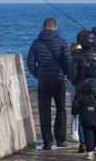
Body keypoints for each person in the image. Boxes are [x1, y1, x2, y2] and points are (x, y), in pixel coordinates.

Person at [27, 18, 72, 149]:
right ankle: (60, 139)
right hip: (58, 79)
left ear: (43, 27)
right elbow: (68, 62)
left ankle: (47, 141)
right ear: (55, 27)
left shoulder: (35, 43)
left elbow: (30, 63)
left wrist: (38, 74)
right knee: (61, 109)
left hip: (43, 80)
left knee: (44, 110)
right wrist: (65, 74)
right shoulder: (62, 42)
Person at [71, 66, 96, 160]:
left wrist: (74, 112)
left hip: (85, 112)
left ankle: (89, 153)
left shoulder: (80, 86)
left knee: (87, 132)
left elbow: (76, 101)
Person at [68, 30, 86, 152]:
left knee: (76, 107)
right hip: (76, 82)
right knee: (78, 108)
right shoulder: (78, 54)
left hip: (73, 82)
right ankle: (75, 132)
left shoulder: (73, 53)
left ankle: (75, 132)